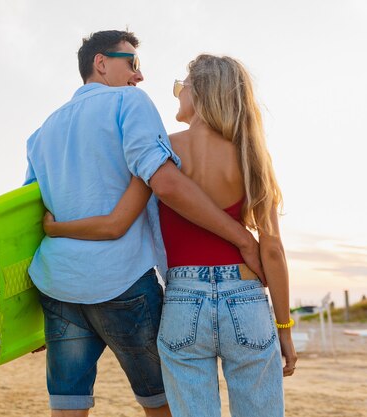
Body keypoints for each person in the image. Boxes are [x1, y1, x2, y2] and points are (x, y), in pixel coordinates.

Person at [43, 54, 297, 417]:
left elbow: (116, 222)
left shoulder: (161, 153)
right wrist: (284, 328)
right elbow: (272, 250)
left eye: (183, 86)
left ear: (202, 93)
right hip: (245, 297)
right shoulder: (252, 155)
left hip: (183, 299)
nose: (178, 93)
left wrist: (56, 228)